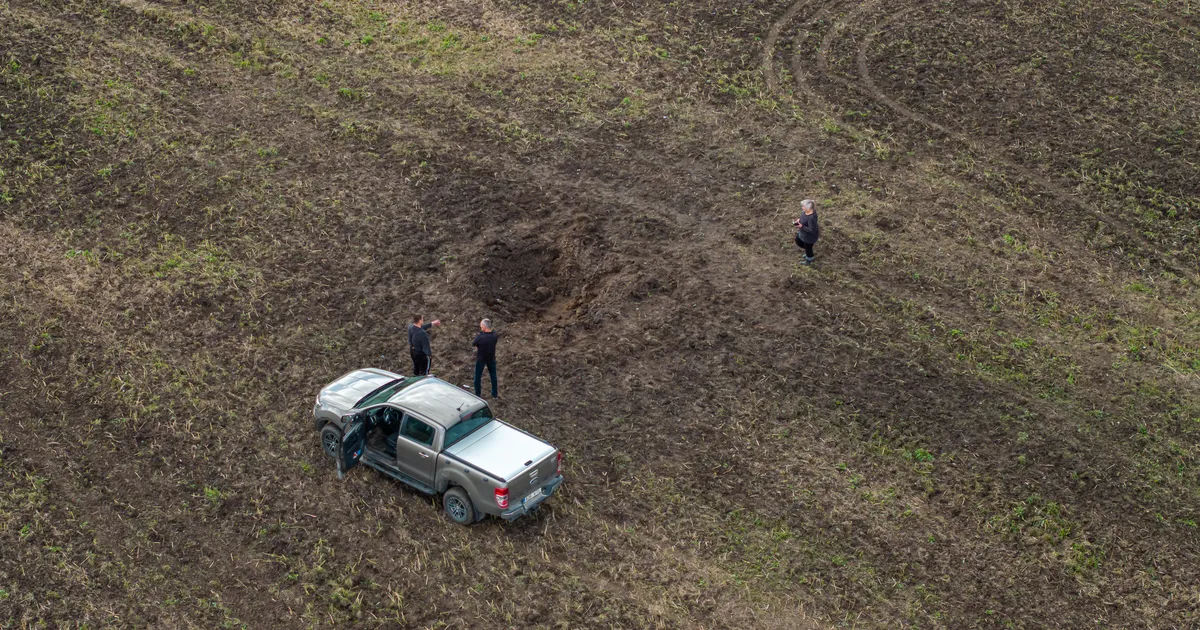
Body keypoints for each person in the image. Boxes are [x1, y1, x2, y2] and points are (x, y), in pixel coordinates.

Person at [471, 318, 500, 399]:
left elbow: (474, 343)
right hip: (491, 358)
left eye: (481, 326)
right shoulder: (494, 336)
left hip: (481, 359)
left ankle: (478, 394)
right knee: (493, 376)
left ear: (484, 326)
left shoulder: (481, 337)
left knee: (477, 376)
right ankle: (495, 394)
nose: (481, 327)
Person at [794, 199, 820, 265]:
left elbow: (812, 230)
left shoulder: (812, 218)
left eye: (803, 207)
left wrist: (801, 226)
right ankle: (808, 250)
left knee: (808, 249)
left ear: (808, 208)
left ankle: (809, 259)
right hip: (803, 233)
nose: (802, 208)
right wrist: (799, 220)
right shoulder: (805, 211)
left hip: (809, 237)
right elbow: (803, 217)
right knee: (798, 241)